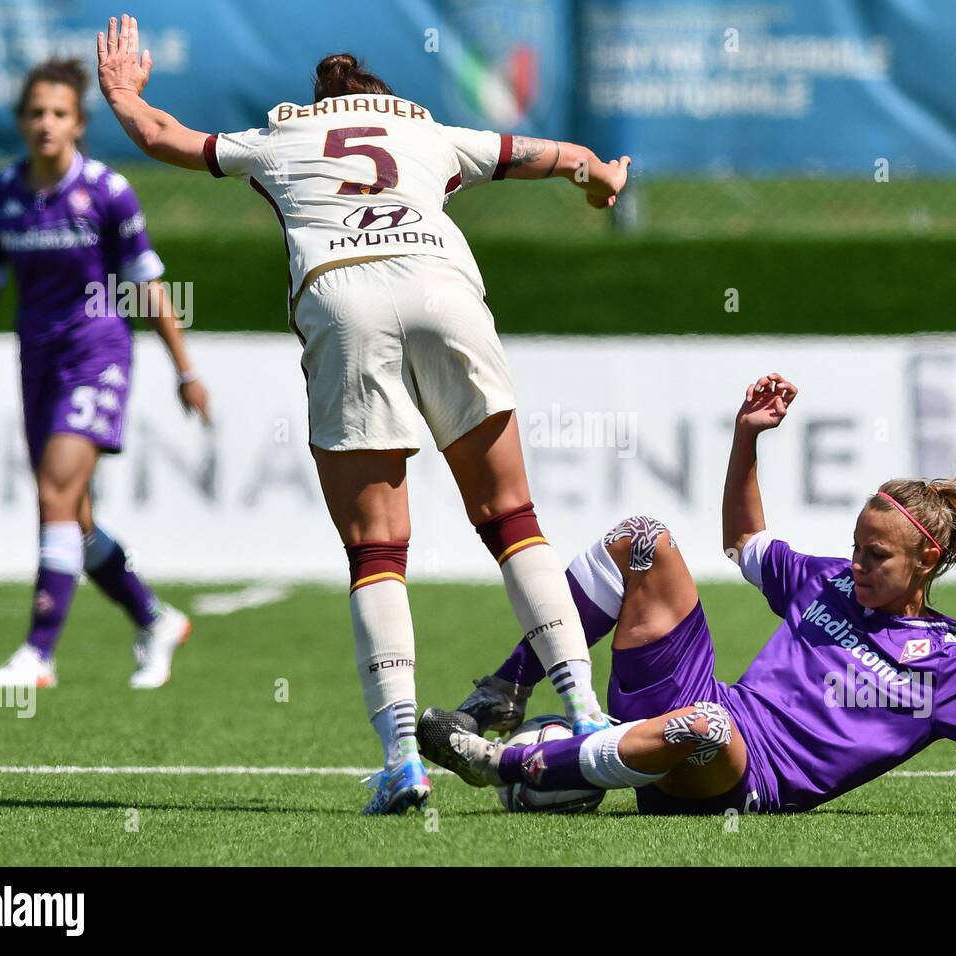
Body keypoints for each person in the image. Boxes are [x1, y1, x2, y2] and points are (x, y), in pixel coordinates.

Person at [95, 15, 630, 812]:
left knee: (376, 550)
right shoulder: (432, 132)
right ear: (384, 100)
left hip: (344, 298)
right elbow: (550, 156)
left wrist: (123, 95)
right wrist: (598, 175)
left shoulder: (279, 137)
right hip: (439, 283)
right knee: (512, 516)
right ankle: (586, 713)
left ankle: (403, 762)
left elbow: (170, 140)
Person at [420, 373, 956, 821]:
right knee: (643, 538)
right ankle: (508, 697)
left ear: (925, 561)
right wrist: (746, 439)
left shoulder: (948, 671)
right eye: (857, 547)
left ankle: (517, 767)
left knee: (704, 726)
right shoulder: (830, 580)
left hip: (737, 774)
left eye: (877, 555)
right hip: (711, 707)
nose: (857, 564)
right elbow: (744, 543)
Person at [0, 57, 208, 690]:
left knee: (53, 496)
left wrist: (185, 368)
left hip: (98, 355)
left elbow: (148, 286)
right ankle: (154, 616)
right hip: (38, 361)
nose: (46, 123)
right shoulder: (0, 197)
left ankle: (38, 653)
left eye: (58, 113)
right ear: (22, 123)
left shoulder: (107, 193)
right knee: (74, 517)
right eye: (35, 113)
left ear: (79, 122)